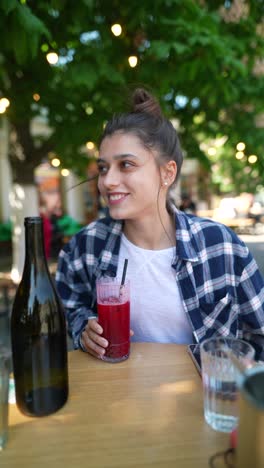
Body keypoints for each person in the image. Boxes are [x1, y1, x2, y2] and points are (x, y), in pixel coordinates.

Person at [56, 88, 264, 361]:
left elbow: (258, 336)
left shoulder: (221, 246)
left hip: (203, 399)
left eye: (126, 165)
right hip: (116, 397)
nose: (107, 181)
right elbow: (69, 310)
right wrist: (84, 328)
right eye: (104, 168)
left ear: (167, 172)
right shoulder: (85, 246)